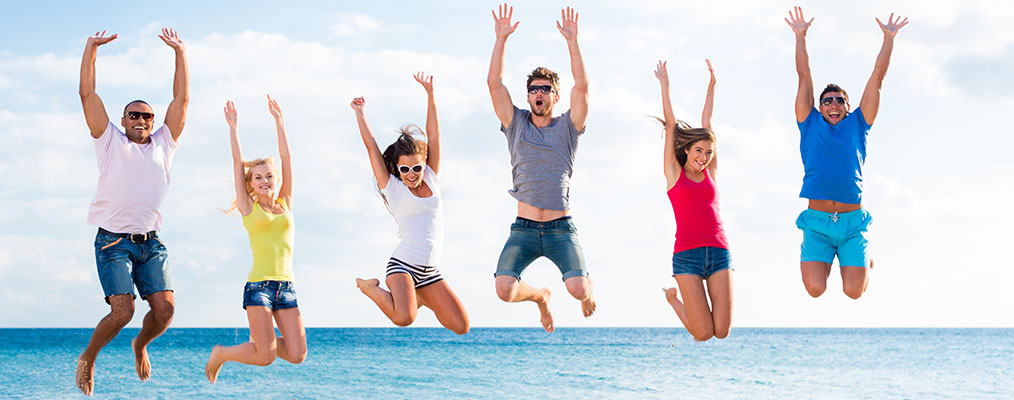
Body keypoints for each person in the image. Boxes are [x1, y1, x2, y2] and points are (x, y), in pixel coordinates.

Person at [75, 28, 188, 396]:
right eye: (133, 115)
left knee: (165, 312)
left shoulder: (164, 143)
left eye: (146, 116)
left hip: (151, 243)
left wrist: (180, 53)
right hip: (113, 244)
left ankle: (141, 345)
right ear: (123, 120)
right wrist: (91, 50)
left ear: (153, 122)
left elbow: (182, 99)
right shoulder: (109, 141)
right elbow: (87, 94)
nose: (140, 120)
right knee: (122, 311)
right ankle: (89, 358)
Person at [786, 7, 908, 299]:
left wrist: (888, 38)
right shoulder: (809, 123)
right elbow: (804, 76)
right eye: (827, 101)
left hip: (853, 224)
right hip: (818, 222)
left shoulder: (858, 124)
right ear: (820, 107)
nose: (833, 104)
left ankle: (866, 265)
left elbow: (877, 78)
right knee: (815, 290)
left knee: (854, 292)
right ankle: (829, 258)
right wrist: (800, 36)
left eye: (839, 100)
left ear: (847, 107)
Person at [487, 4, 594, 333]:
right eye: (533, 89)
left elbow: (582, 88)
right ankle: (540, 297)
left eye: (545, 89)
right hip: (524, 229)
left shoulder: (568, 127)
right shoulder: (516, 123)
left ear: (554, 96)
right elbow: (494, 84)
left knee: (580, 291)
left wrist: (572, 41)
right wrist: (501, 39)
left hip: (561, 229)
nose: (538, 93)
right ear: (528, 95)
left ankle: (587, 288)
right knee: (504, 289)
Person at [351, 72, 469, 335]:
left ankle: (421, 296)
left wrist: (430, 94)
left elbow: (434, 135)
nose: (412, 174)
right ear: (398, 169)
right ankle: (370, 287)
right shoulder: (393, 188)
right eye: (405, 170)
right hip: (402, 266)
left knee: (461, 326)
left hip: (430, 272)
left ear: (423, 164)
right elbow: (371, 147)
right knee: (404, 318)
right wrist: (360, 113)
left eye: (416, 167)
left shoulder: (431, 177)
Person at [205, 96, 308, 383]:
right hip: (259, 288)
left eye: (270, 176)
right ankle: (221, 353)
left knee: (298, 354)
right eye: (259, 177)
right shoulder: (249, 207)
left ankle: (262, 339)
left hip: (287, 288)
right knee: (265, 357)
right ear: (252, 183)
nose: (265, 181)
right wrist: (233, 127)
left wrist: (279, 121)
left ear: (276, 179)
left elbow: (286, 158)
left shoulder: (286, 202)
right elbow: (238, 163)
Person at [655, 60, 733, 341]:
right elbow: (671, 123)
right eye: (699, 150)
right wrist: (665, 84)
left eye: (709, 152)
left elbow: (708, 122)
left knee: (721, 332)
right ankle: (673, 300)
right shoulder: (674, 174)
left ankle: (685, 302)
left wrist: (712, 85)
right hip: (687, 256)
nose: (704, 157)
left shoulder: (711, 172)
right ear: (687, 149)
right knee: (702, 334)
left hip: (719, 252)